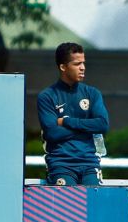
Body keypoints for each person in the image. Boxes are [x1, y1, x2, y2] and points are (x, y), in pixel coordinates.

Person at [37, 42, 109, 186]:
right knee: (67, 206)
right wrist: (86, 128)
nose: (83, 68)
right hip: (61, 164)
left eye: (83, 63)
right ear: (63, 67)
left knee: (93, 204)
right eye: (77, 64)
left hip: (90, 162)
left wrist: (66, 121)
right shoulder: (47, 96)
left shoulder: (92, 93)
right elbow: (52, 133)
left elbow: (102, 125)